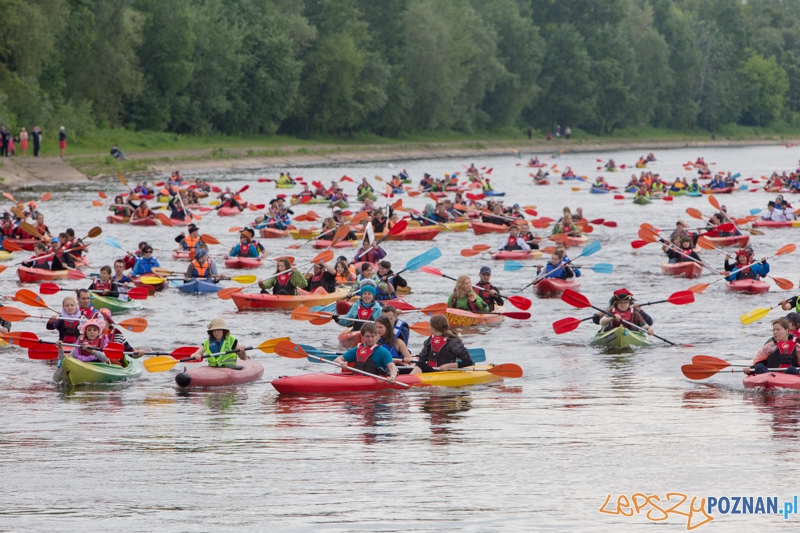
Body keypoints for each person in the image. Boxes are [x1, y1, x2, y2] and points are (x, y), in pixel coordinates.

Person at [333, 322, 398, 382]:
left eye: (372, 336)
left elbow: (392, 367)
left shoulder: (383, 351)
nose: (370, 339)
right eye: (367, 336)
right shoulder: (356, 350)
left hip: (372, 382)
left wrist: (392, 377)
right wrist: (341, 363)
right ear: (362, 336)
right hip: (355, 379)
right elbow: (337, 359)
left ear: (376, 336)